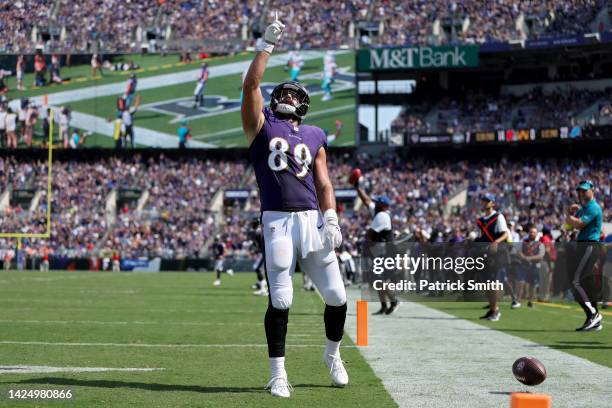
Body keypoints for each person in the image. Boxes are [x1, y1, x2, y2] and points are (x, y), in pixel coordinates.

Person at [241, 13, 348, 398]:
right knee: (282, 298)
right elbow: (251, 84)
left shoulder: (317, 134)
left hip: (311, 220)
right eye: (282, 93)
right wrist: (265, 46)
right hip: (277, 220)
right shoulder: (261, 126)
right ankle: (277, 373)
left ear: (302, 105)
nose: (287, 97)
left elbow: (323, 181)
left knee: (337, 297)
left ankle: (332, 354)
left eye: (294, 95)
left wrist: (332, 218)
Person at [564, 180, 604, 331]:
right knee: (585, 283)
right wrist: (570, 216)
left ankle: (593, 314)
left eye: (585, 190)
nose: (582, 193)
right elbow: (568, 226)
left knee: (575, 282)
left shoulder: (593, 207)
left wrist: (569, 214)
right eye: (580, 191)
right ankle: (593, 320)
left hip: (589, 245)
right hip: (583, 245)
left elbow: (578, 224)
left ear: (592, 190)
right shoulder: (583, 208)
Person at [354, 182, 398, 315]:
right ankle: (384, 306)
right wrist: (357, 187)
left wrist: (363, 245)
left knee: (381, 280)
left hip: (385, 253)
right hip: (380, 252)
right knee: (376, 281)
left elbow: (370, 234)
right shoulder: (380, 211)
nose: (375, 204)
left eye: (378, 203)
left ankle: (394, 301)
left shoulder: (382, 216)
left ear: (383, 206)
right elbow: (367, 201)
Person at [476, 193, 509, 321]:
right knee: (486, 283)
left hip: (496, 254)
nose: (485, 202)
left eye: (487, 201)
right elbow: (482, 238)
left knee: (493, 283)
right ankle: (492, 309)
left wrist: (496, 242)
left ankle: (496, 311)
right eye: (483, 200)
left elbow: (505, 234)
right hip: (485, 254)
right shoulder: (480, 220)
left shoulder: (498, 217)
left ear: (493, 203)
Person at [516, 227, 545, 308]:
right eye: (531, 232)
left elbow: (541, 256)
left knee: (532, 284)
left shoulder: (540, 244)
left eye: (534, 232)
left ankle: (530, 301)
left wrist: (529, 258)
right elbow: (518, 251)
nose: (532, 234)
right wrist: (523, 257)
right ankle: (518, 300)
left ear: (536, 234)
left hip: (534, 266)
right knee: (520, 282)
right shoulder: (523, 242)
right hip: (523, 265)